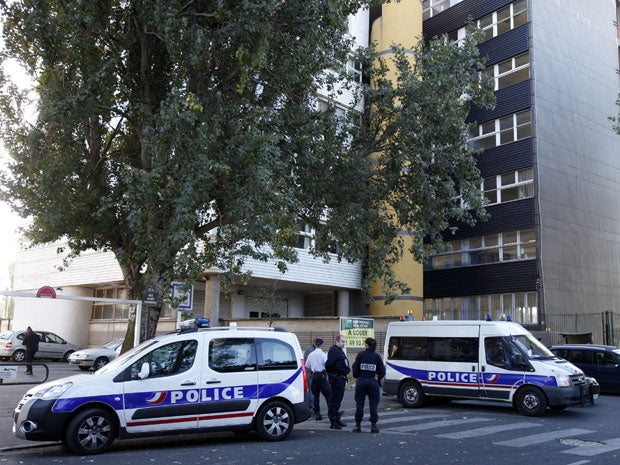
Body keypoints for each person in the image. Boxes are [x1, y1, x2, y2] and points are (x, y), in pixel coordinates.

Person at [352, 337, 386, 433]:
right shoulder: (377, 356)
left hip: (361, 381)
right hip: (373, 382)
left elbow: (355, 369)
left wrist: (358, 376)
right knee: (373, 404)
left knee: (359, 404)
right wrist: (378, 377)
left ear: (366, 345)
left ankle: (358, 425)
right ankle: (373, 426)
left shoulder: (361, 355)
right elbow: (382, 371)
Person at [325, 334, 349, 429]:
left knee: (338, 400)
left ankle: (336, 419)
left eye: (344, 342)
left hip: (341, 378)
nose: (343, 343)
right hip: (336, 378)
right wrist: (332, 374)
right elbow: (329, 364)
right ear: (337, 341)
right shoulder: (334, 350)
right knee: (334, 400)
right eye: (342, 341)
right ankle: (333, 421)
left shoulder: (339, 351)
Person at [305, 338, 331, 421]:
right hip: (322, 376)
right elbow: (327, 365)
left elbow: (307, 365)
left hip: (314, 376)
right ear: (321, 345)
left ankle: (317, 414)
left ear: (315, 344)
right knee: (328, 395)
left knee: (316, 396)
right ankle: (331, 412)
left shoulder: (311, 354)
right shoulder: (324, 354)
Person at [304, 338, 318, 415]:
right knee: (311, 392)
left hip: (312, 374)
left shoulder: (313, 349)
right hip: (311, 374)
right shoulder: (310, 350)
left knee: (313, 391)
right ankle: (310, 408)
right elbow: (307, 363)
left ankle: (313, 407)